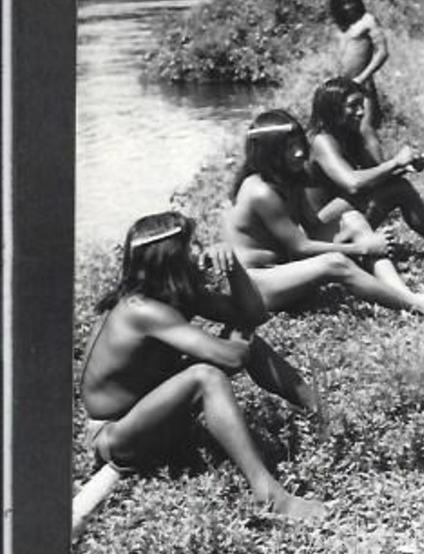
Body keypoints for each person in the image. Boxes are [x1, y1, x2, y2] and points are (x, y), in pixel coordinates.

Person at [79, 211, 326, 525]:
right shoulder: (142, 310)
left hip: (143, 413)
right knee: (205, 377)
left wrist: (234, 268)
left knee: (244, 343)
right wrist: (238, 338)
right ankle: (271, 497)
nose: (200, 251)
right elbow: (232, 358)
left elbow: (253, 314)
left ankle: (324, 414)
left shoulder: (176, 295)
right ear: (172, 259)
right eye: (191, 246)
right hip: (113, 435)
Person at [224, 110, 424, 317]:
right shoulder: (261, 191)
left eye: (299, 145)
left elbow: (313, 226)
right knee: (334, 263)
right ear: (268, 153)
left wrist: (354, 219)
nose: (298, 153)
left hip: (285, 267)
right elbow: (300, 247)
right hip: (257, 286)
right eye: (288, 149)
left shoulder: (290, 178)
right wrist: (362, 248)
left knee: (352, 219)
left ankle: (404, 295)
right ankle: (416, 306)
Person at [306, 77, 424, 263]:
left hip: (343, 220)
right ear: (332, 109)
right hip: (320, 232)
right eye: (353, 106)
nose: (360, 112)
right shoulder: (321, 140)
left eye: (361, 105)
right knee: (399, 189)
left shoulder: (346, 134)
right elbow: (352, 183)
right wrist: (395, 163)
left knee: (399, 186)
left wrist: (407, 167)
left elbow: (374, 177)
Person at [329, 0, 389, 161]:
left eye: (351, 1)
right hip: (341, 87)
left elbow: (383, 52)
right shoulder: (338, 27)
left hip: (362, 85)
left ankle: (382, 173)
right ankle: (355, 171)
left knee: (365, 128)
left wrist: (362, 78)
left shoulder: (368, 20)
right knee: (342, 130)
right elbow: (337, 56)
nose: (348, 7)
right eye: (343, 4)